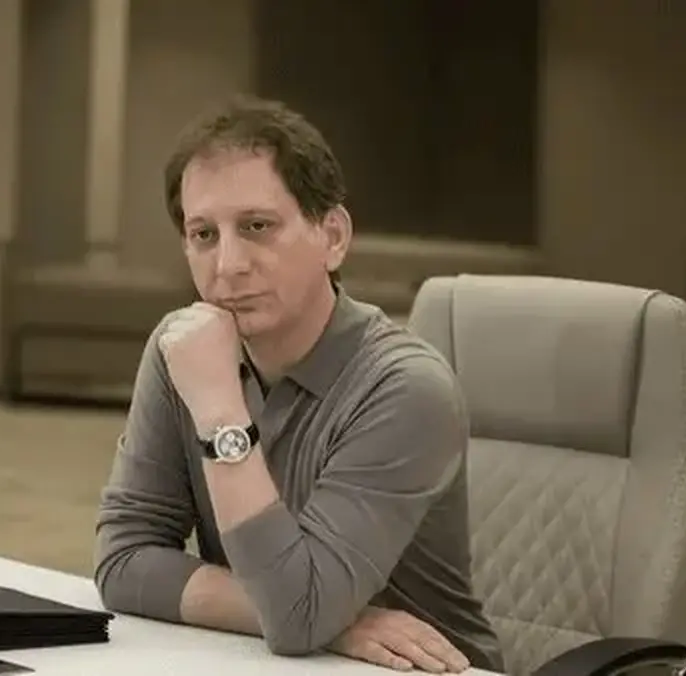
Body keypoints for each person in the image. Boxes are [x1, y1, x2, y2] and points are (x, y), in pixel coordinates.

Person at [92, 96, 504, 674]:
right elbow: (123, 563)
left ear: (332, 236)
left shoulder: (406, 388)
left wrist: (219, 412)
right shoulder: (181, 350)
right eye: (204, 234)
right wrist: (337, 622)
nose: (228, 265)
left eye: (257, 227)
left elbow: (298, 615)